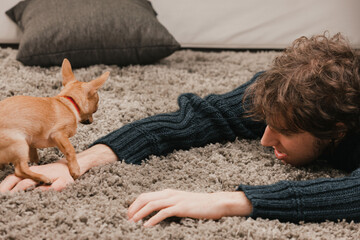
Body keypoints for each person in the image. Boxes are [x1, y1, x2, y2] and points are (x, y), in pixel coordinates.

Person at [0, 33, 359, 227]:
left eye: (284, 132)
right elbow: (200, 117)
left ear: (337, 131)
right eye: (267, 124)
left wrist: (230, 200)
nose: (265, 139)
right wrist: (79, 160)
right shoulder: (279, 90)